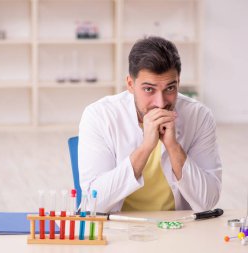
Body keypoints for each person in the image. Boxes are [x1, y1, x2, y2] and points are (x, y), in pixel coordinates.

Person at [78, 36, 222, 213]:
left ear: (178, 82)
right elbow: (93, 202)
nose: (160, 103)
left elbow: (208, 201)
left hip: (177, 227)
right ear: (130, 84)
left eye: (170, 88)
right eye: (149, 89)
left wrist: (173, 146)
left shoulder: (199, 116)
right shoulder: (99, 116)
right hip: (118, 227)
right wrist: (146, 147)